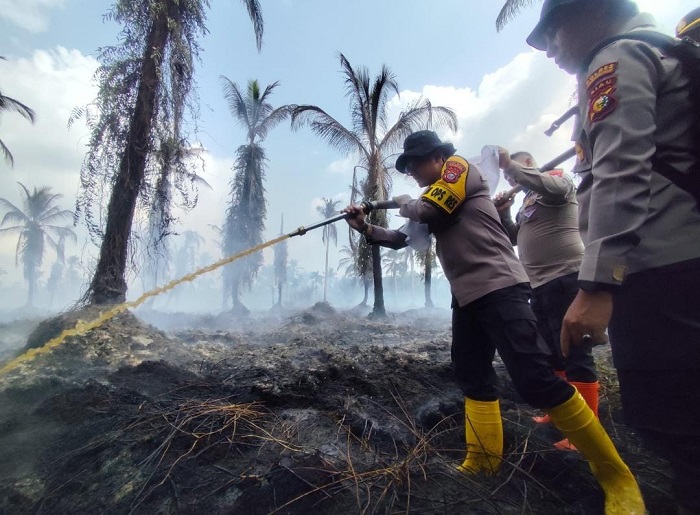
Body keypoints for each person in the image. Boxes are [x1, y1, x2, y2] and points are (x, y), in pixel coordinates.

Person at [343, 129, 644, 514]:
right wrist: (365, 227)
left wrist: (402, 201)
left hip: (501, 286)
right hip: (466, 296)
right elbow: (402, 238)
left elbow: (427, 210)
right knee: (472, 375)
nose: (412, 172)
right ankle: (483, 459)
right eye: (408, 167)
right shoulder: (431, 194)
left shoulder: (458, 171)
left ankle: (615, 476)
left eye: (415, 163)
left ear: (437, 157)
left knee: (535, 378)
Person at [527, 0, 700, 512]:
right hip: (678, 264)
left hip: (660, 271)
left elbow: (622, 174)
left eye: (553, 33)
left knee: (677, 425)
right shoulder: (668, 53)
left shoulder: (616, 58)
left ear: (590, 13)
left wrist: (597, 284)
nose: (552, 49)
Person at [495, 151, 599, 451]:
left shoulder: (556, 179)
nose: (510, 178)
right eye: (508, 176)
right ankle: (561, 413)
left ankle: (586, 431)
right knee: (553, 353)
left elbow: (554, 188)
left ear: (530, 165)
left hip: (567, 277)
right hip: (539, 286)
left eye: (515, 172)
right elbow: (514, 238)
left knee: (576, 351)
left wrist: (510, 165)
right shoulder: (527, 202)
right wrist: (504, 213)